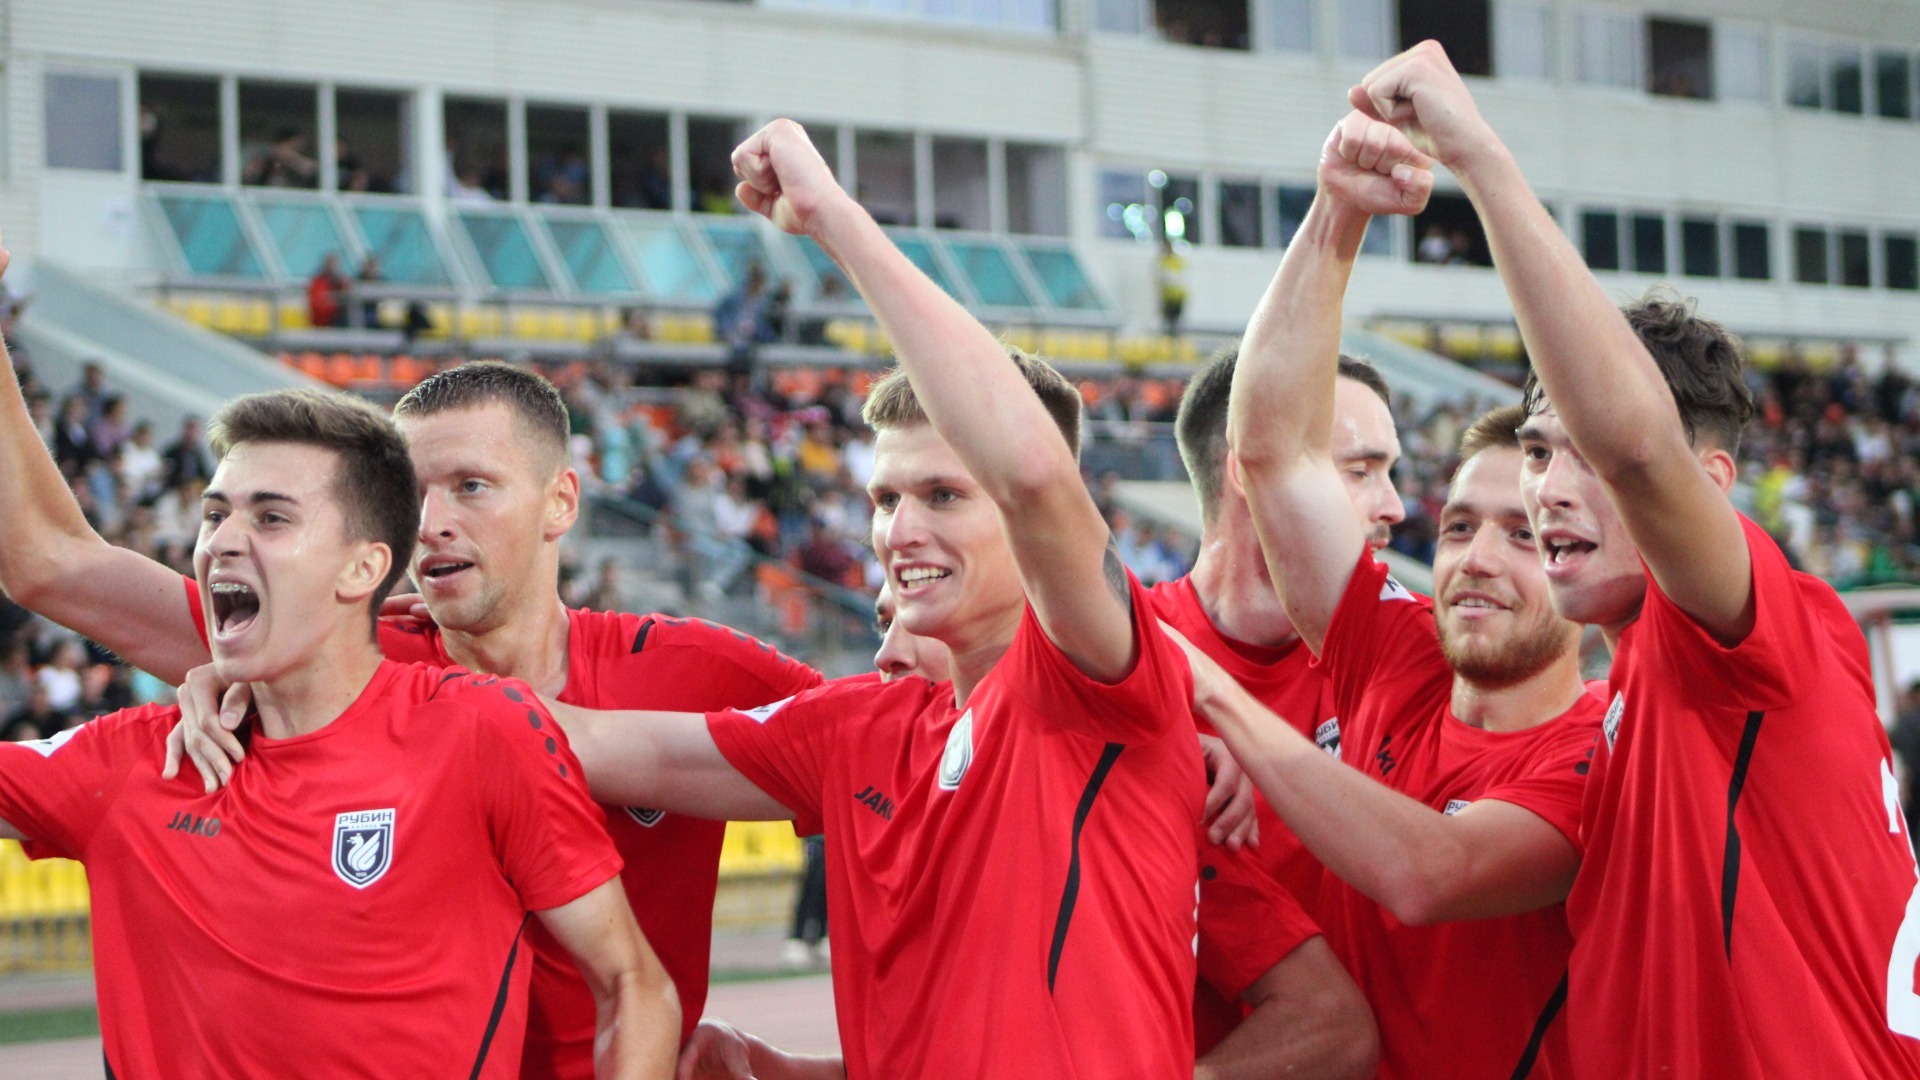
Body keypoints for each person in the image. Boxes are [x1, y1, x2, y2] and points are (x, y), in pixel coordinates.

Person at [547, 118, 1211, 1079]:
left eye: (943, 495)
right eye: (885, 499)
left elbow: (1031, 473)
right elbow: (602, 746)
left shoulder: (1097, 683)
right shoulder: (857, 731)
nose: (900, 531)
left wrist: (833, 219)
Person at [0, 353, 824, 1078]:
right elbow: (50, 564)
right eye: (413, 493)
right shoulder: (336, 653)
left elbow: (884, 754)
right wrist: (240, 667)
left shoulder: (696, 670)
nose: (432, 523)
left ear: (560, 502)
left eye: (471, 487)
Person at [1353, 40, 1920, 1076]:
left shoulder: (1751, 636)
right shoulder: (1633, 700)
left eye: (1586, 455)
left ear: (1710, 482)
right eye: (1537, 452)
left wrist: (1477, 157)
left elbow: (1639, 448)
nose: (1549, 489)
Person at [1218, 106, 1604, 1078]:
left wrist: (1208, 701)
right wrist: (1337, 212)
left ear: (1580, 557)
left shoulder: (1606, 750)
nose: (1478, 557)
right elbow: (1272, 452)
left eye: (1524, 534)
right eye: (1462, 526)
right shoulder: (1395, 651)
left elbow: (1429, 872)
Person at [308, 253, 349, 328]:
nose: (334, 267)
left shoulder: (340, 280)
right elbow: (318, 301)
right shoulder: (319, 281)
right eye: (332, 264)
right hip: (326, 318)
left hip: (337, 315)